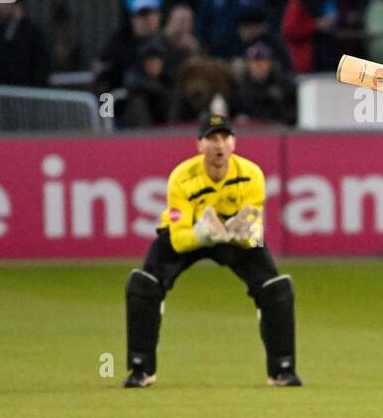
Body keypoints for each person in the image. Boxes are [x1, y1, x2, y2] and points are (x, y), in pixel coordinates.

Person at [123, 114, 300, 388]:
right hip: (192, 232)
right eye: (211, 139)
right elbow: (179, 239)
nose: (219, 145)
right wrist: (203, 233)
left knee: (275, 289)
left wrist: (246, 235)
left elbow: (255, 226)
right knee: (143, 285)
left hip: (231, 236)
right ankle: (140, 369)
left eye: (224, 138)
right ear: (200, 146)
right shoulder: (182, 177)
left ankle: (282, 370)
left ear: (233, 143)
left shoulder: (251, 174)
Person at [0, 0, 50, 90]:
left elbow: (41, 66)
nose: (0, 7)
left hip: (26, 93)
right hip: (1, 93)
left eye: (3, 3)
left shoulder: (33, 33)